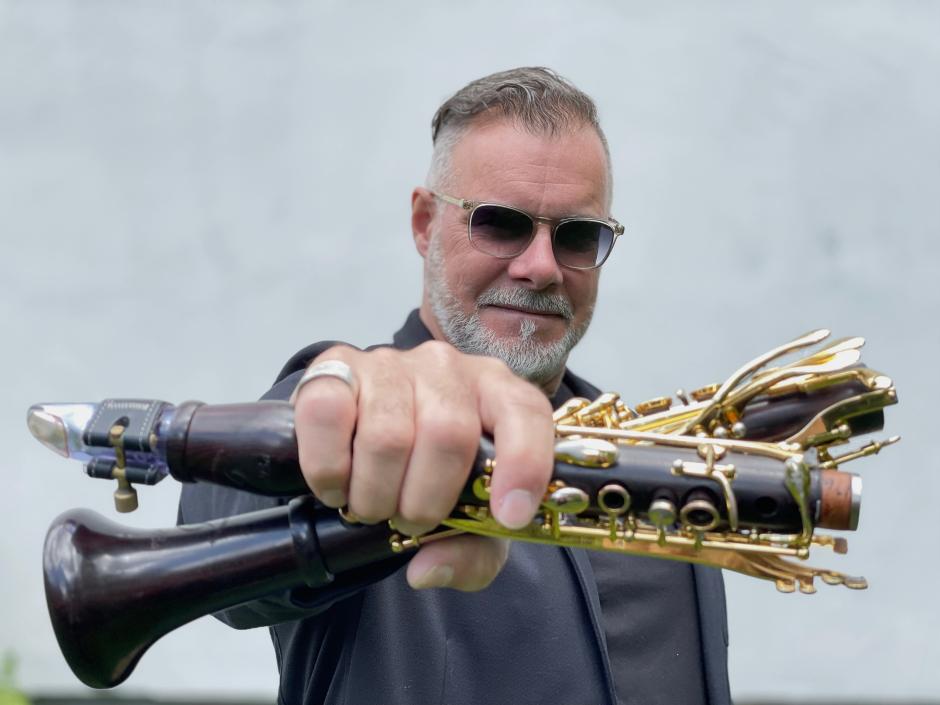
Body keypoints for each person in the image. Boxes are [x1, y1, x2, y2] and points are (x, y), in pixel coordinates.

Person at [179, 67, 731, 705]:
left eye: (578, 236)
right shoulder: (368, 415)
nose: (541, 267)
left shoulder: (653, 455)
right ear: (423, 223)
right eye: (500, 224)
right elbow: (215, 520)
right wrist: (341, 389)